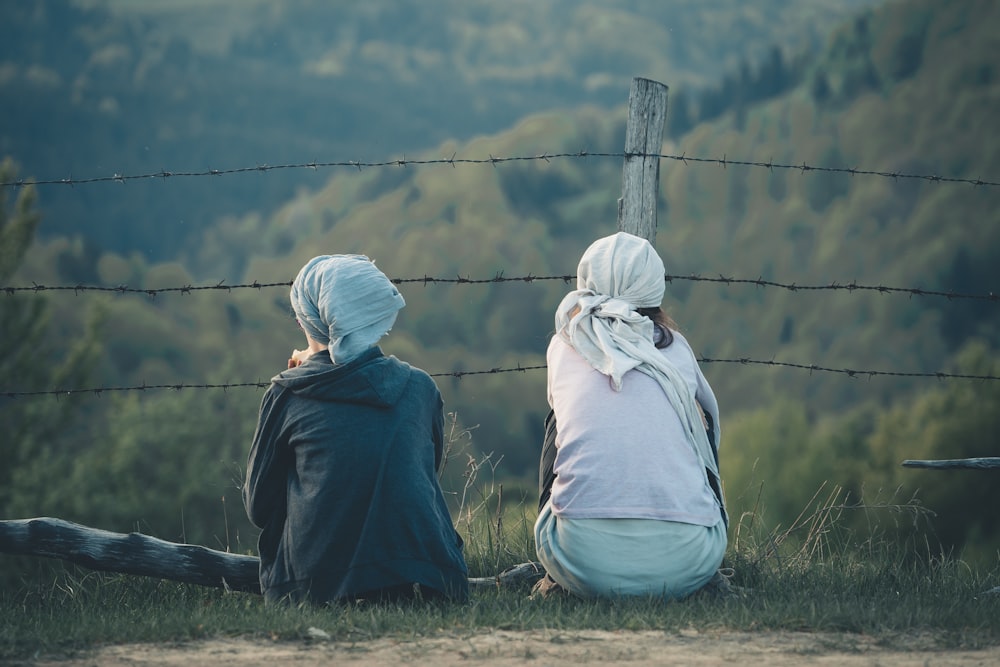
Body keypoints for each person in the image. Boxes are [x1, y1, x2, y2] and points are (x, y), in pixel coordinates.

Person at [243, 254, 469, 605]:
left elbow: (259, 508)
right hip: (430, 580)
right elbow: (422, 472)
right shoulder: (420, 388)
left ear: (308, 320)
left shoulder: (287, 394)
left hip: (316, 587)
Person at [533, 232, 727, 599]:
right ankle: (698, 530)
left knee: (559, 420)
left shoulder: (565, 343)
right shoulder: (677, 350)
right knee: (690, 417)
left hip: (579, 560)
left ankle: (554, 574)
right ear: (654, 287)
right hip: (690, 561)